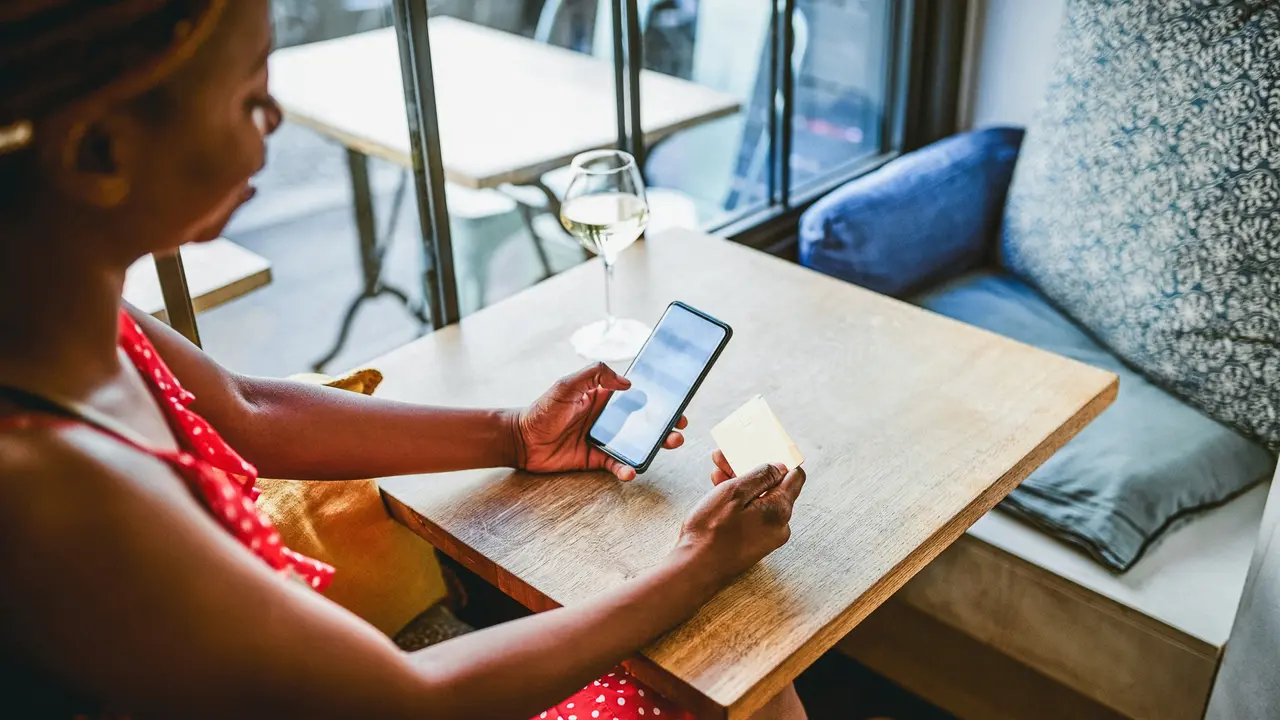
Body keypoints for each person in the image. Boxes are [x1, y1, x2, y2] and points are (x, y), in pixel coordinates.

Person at [0, 2, 808, 718]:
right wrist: (695, 565)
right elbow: (408, 700)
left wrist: (512, 434)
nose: (275, 117)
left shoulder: (60, 306)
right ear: (97, 152)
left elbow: (247, 412)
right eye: (251, 95)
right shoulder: (48, 489)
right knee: (737, 672)